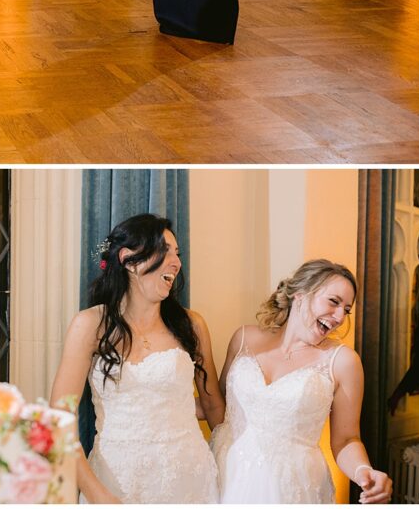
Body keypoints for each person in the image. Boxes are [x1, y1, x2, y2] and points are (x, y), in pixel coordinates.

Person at [51, 213, 223, 503]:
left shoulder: (191, 325)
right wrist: (96, 494)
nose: (177, 263)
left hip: (191, 480)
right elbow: (58, 420)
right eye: (166, 251)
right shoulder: (90, 325)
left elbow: (213, 405)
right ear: (130, 261)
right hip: (115, 482)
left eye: (178, 254)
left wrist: (232, 468)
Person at [212, 260, 392, 504]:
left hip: (291, 486)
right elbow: (217, 404)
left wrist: (363, 472)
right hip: (227, 473)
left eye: (346, 309)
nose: (340, 317)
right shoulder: (244, 338)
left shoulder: (342, 362)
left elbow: (347, 439)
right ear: (300, 294)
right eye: (334, 301)